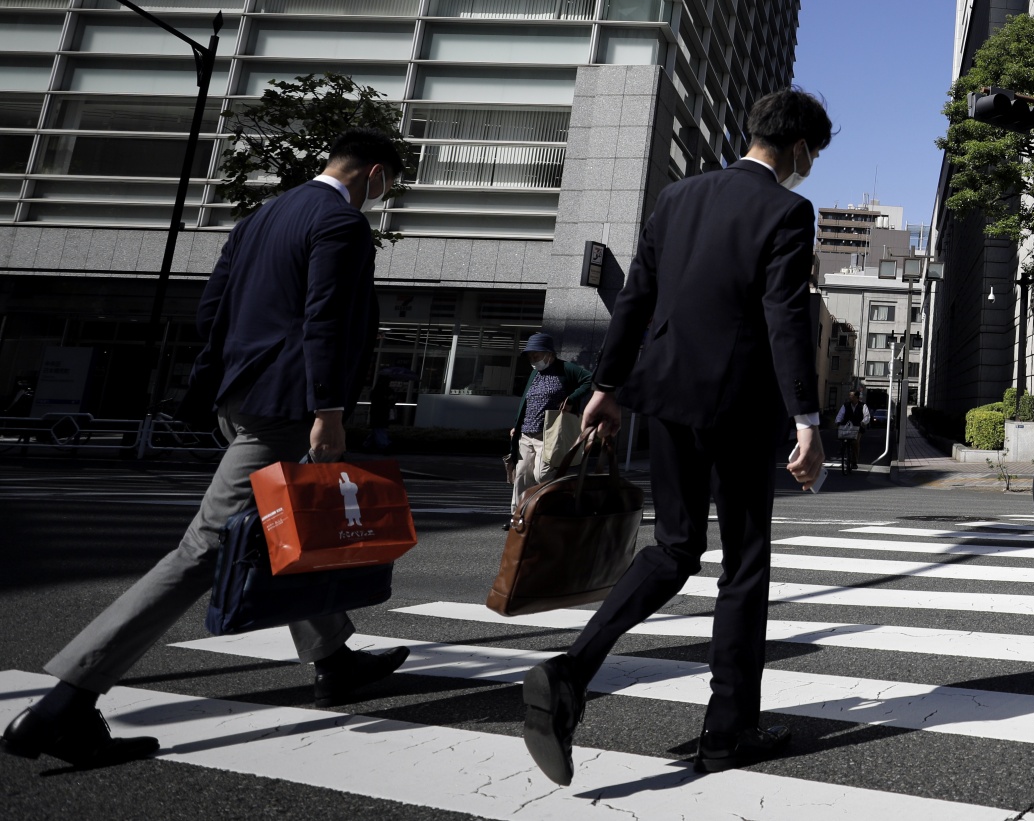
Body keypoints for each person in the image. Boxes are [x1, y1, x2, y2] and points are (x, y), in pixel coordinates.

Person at [4, 130, 412, 769]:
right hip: (288, 407)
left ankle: (334, 659)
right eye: (390, 186)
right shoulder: (341, 223)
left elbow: (212, 309)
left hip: (242, 393)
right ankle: (67, 700)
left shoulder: (263, 217)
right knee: (205, 548)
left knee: (291, 531)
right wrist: (329, 410)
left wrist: (223, 382)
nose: (386, 198)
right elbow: (326, 317)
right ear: (374, 174)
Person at [521, 89, 830, 784]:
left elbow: (636, 298)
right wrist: (806, 419)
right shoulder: (787, 210)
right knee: (744, 563)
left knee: (673, 546)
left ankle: (573, 669)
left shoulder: (677, 198)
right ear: (800, 147)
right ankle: (727, 731)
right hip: (740, 409)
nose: (811, 165)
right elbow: (785, 317)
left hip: (665, 398)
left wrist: (606, 386)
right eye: (814, 153)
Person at [506, 333, 593, 509]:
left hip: (549, 434)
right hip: (525, 433)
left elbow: (590, 380)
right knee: (521, 476)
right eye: (530, 355)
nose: (532, 359)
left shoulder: (565, 369)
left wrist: (571, 399)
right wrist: (517, 426)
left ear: (548, 353)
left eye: (536, 355)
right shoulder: (535, 373)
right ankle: (518, 515)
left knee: (542, 475)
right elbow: (526, 401)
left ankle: (548, 508)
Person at [833, 388, 871, 473]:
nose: (850, 397)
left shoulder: (863, 406)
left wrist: (863, 422)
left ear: (857, 397)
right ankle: (842, 448)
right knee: (841, 436)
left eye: (852, 396)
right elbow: (840, 414)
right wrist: (838, 421)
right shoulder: (846, 405)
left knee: (855, 442)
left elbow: (867, 416)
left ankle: (854, 461)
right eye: (849, 395)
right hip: (847, 426)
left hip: (857, 428)